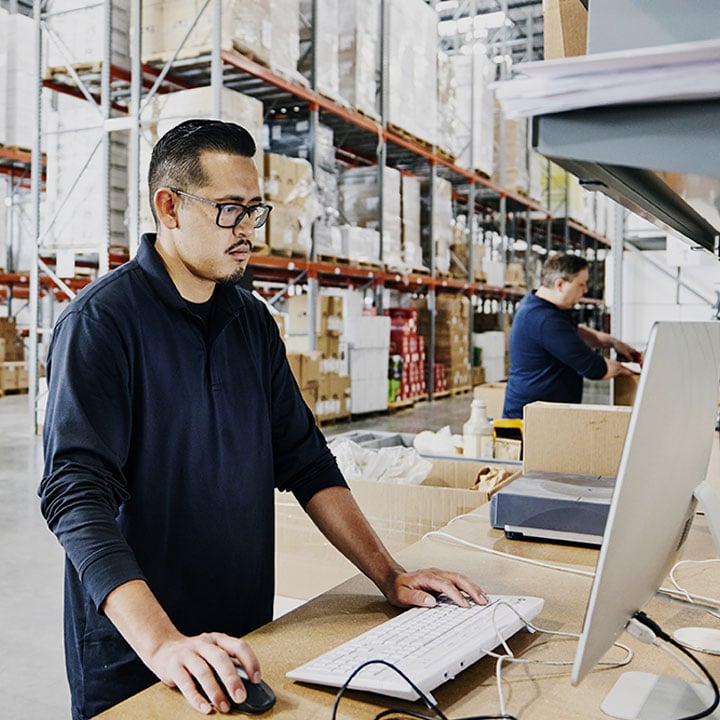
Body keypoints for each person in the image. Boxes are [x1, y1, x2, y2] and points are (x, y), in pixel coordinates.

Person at [39, 119, 487, 720]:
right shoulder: (101, 325)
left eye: (255, 210)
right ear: (168, 207)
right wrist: (163, 642)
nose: (249, 230)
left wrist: (390, 576)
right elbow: (75, 496)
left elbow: (305, 458)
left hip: (247, 641)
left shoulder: (251, 322)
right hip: (141, 653)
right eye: (230, 211)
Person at [503, 253, 638, 419]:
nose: (585, 290)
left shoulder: (538, 304)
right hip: (530, 420)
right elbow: (596, 368)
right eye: (581, 284)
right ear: (560, 284)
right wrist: (631, 370)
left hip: (544, 415)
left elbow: (576, 330)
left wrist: (613, 342)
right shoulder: (545, 320)